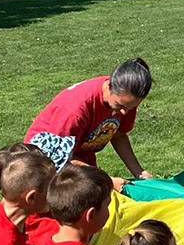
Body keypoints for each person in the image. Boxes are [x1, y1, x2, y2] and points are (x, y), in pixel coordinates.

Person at [25, 58, 156, 190]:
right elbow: (59, 159)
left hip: (78, 153)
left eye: (132, 107)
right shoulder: (75, 110)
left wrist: (140, 173)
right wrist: (106, 180)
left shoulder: (126, 99)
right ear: (110, 86)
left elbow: (119, 135)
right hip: (45, 161)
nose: (124, 112)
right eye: (120, 105)